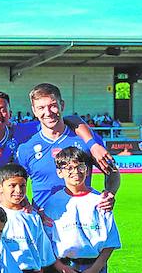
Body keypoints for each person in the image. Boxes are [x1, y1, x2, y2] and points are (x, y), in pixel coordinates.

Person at [16, 83, 118, 211]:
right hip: (45, 221)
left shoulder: (86, 140)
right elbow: (16, 182)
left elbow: (112, 171)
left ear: (62, 105)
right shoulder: (26, 147)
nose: (47, 112)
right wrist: (26, 205)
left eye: (53, 106)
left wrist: (110, 192)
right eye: (41, 108)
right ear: (34, 110)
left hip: (82, 218)